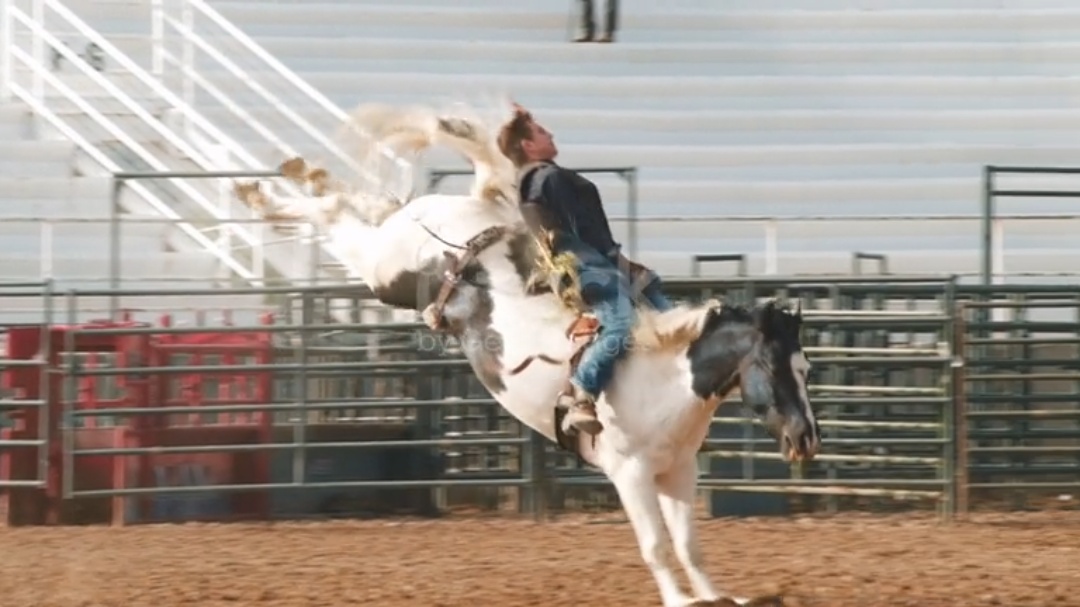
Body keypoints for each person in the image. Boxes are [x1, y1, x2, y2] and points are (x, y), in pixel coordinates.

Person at [497, 103, 673, 436]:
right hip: (587, 269)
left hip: (587, 266)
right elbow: (587, 235)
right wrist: (619, 264)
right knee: (624, 321)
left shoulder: (533, 182)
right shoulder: (549, 179)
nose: (550, 134)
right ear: (528, 146)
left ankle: (672, 409)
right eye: (541, 132)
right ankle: (581, 393)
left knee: (665, 317)